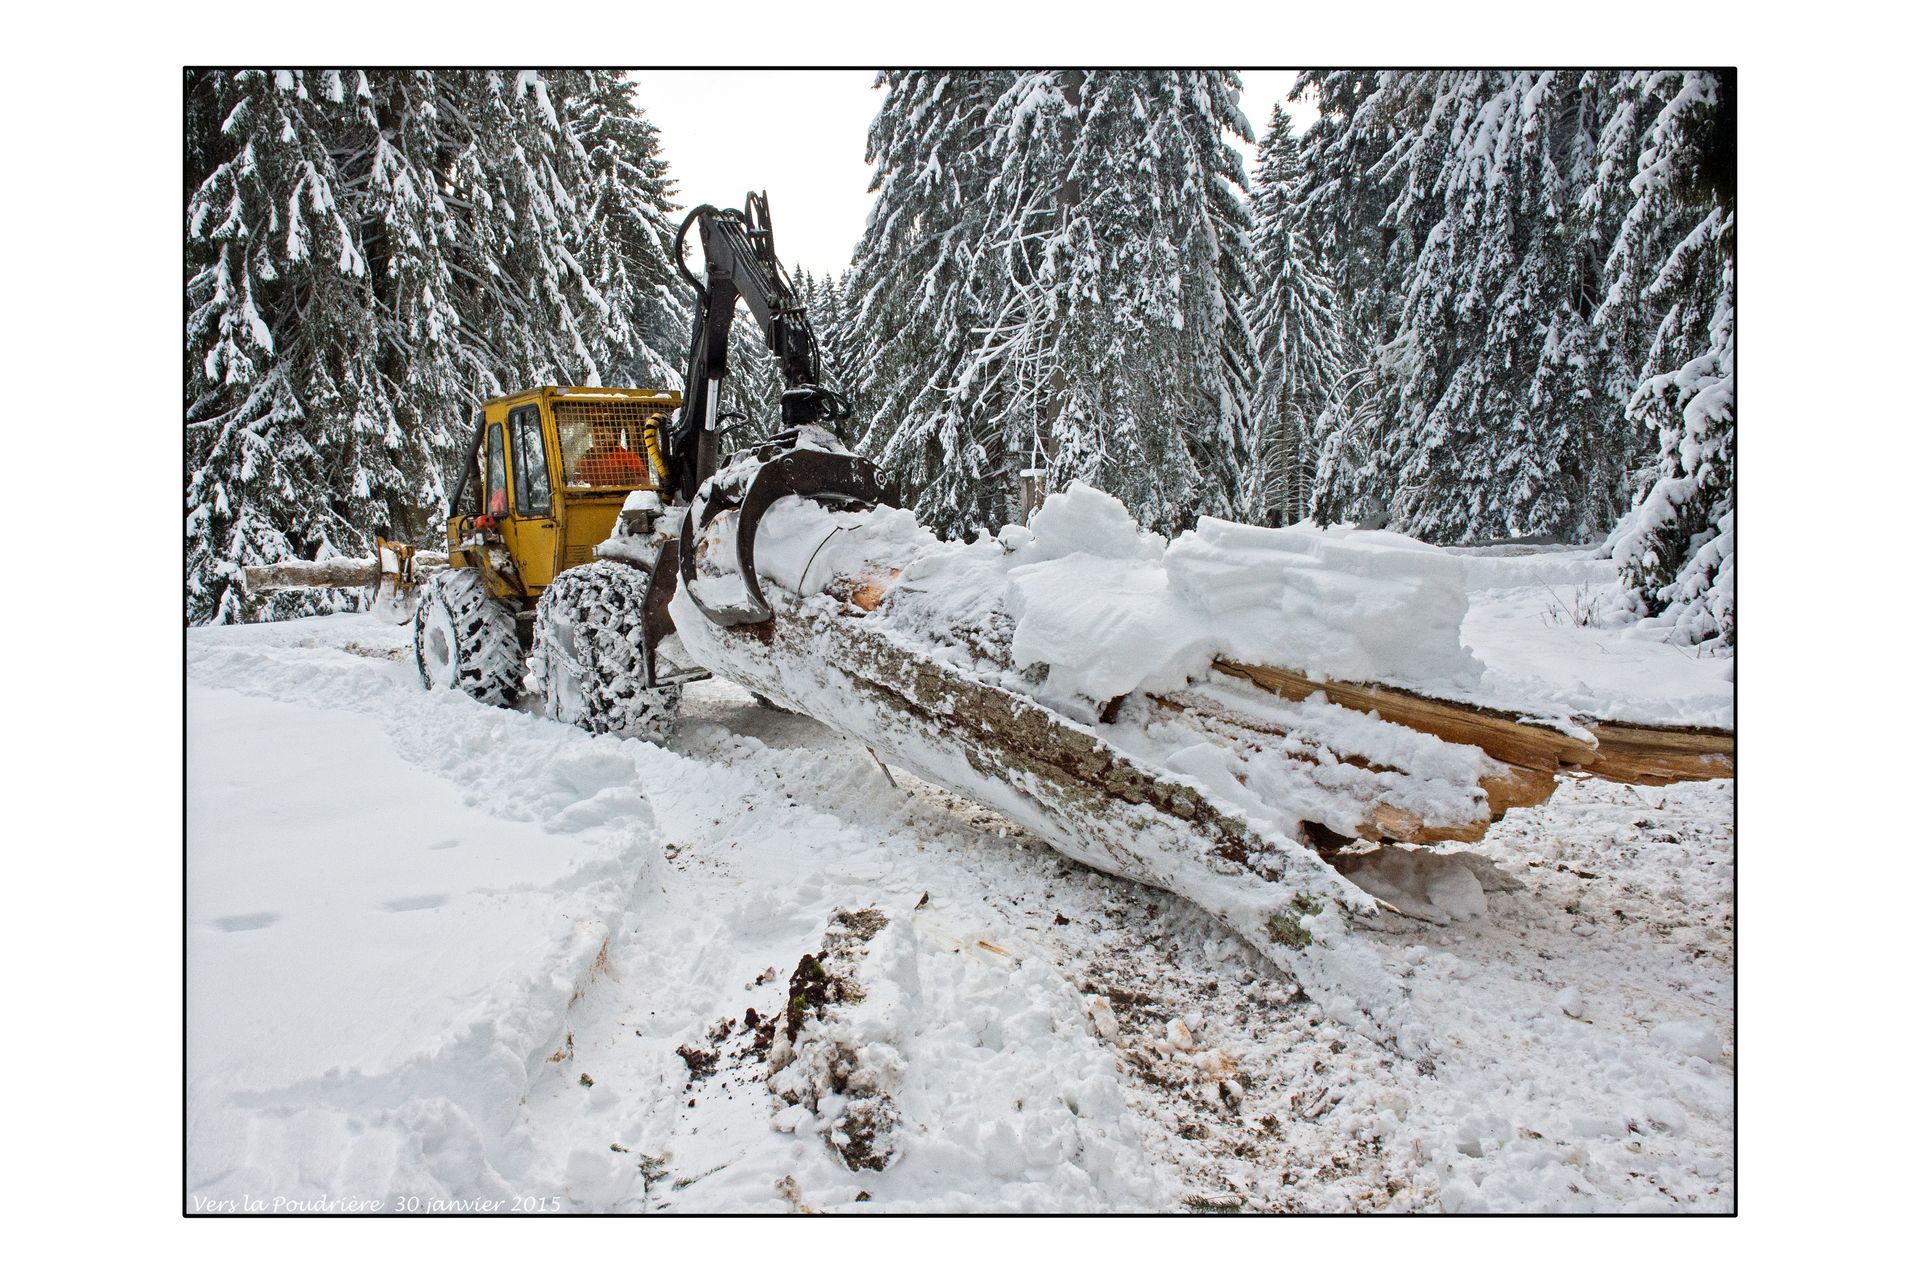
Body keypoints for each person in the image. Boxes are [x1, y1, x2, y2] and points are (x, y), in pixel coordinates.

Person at [573, 424, 649, 488]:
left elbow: (643, 485)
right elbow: (577, 484)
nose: (600, 440)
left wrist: (627, 476)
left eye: (603, 436)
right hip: (589, 499)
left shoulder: (627, 457)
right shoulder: (585, 459)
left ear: (613, 437)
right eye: (596, 436)